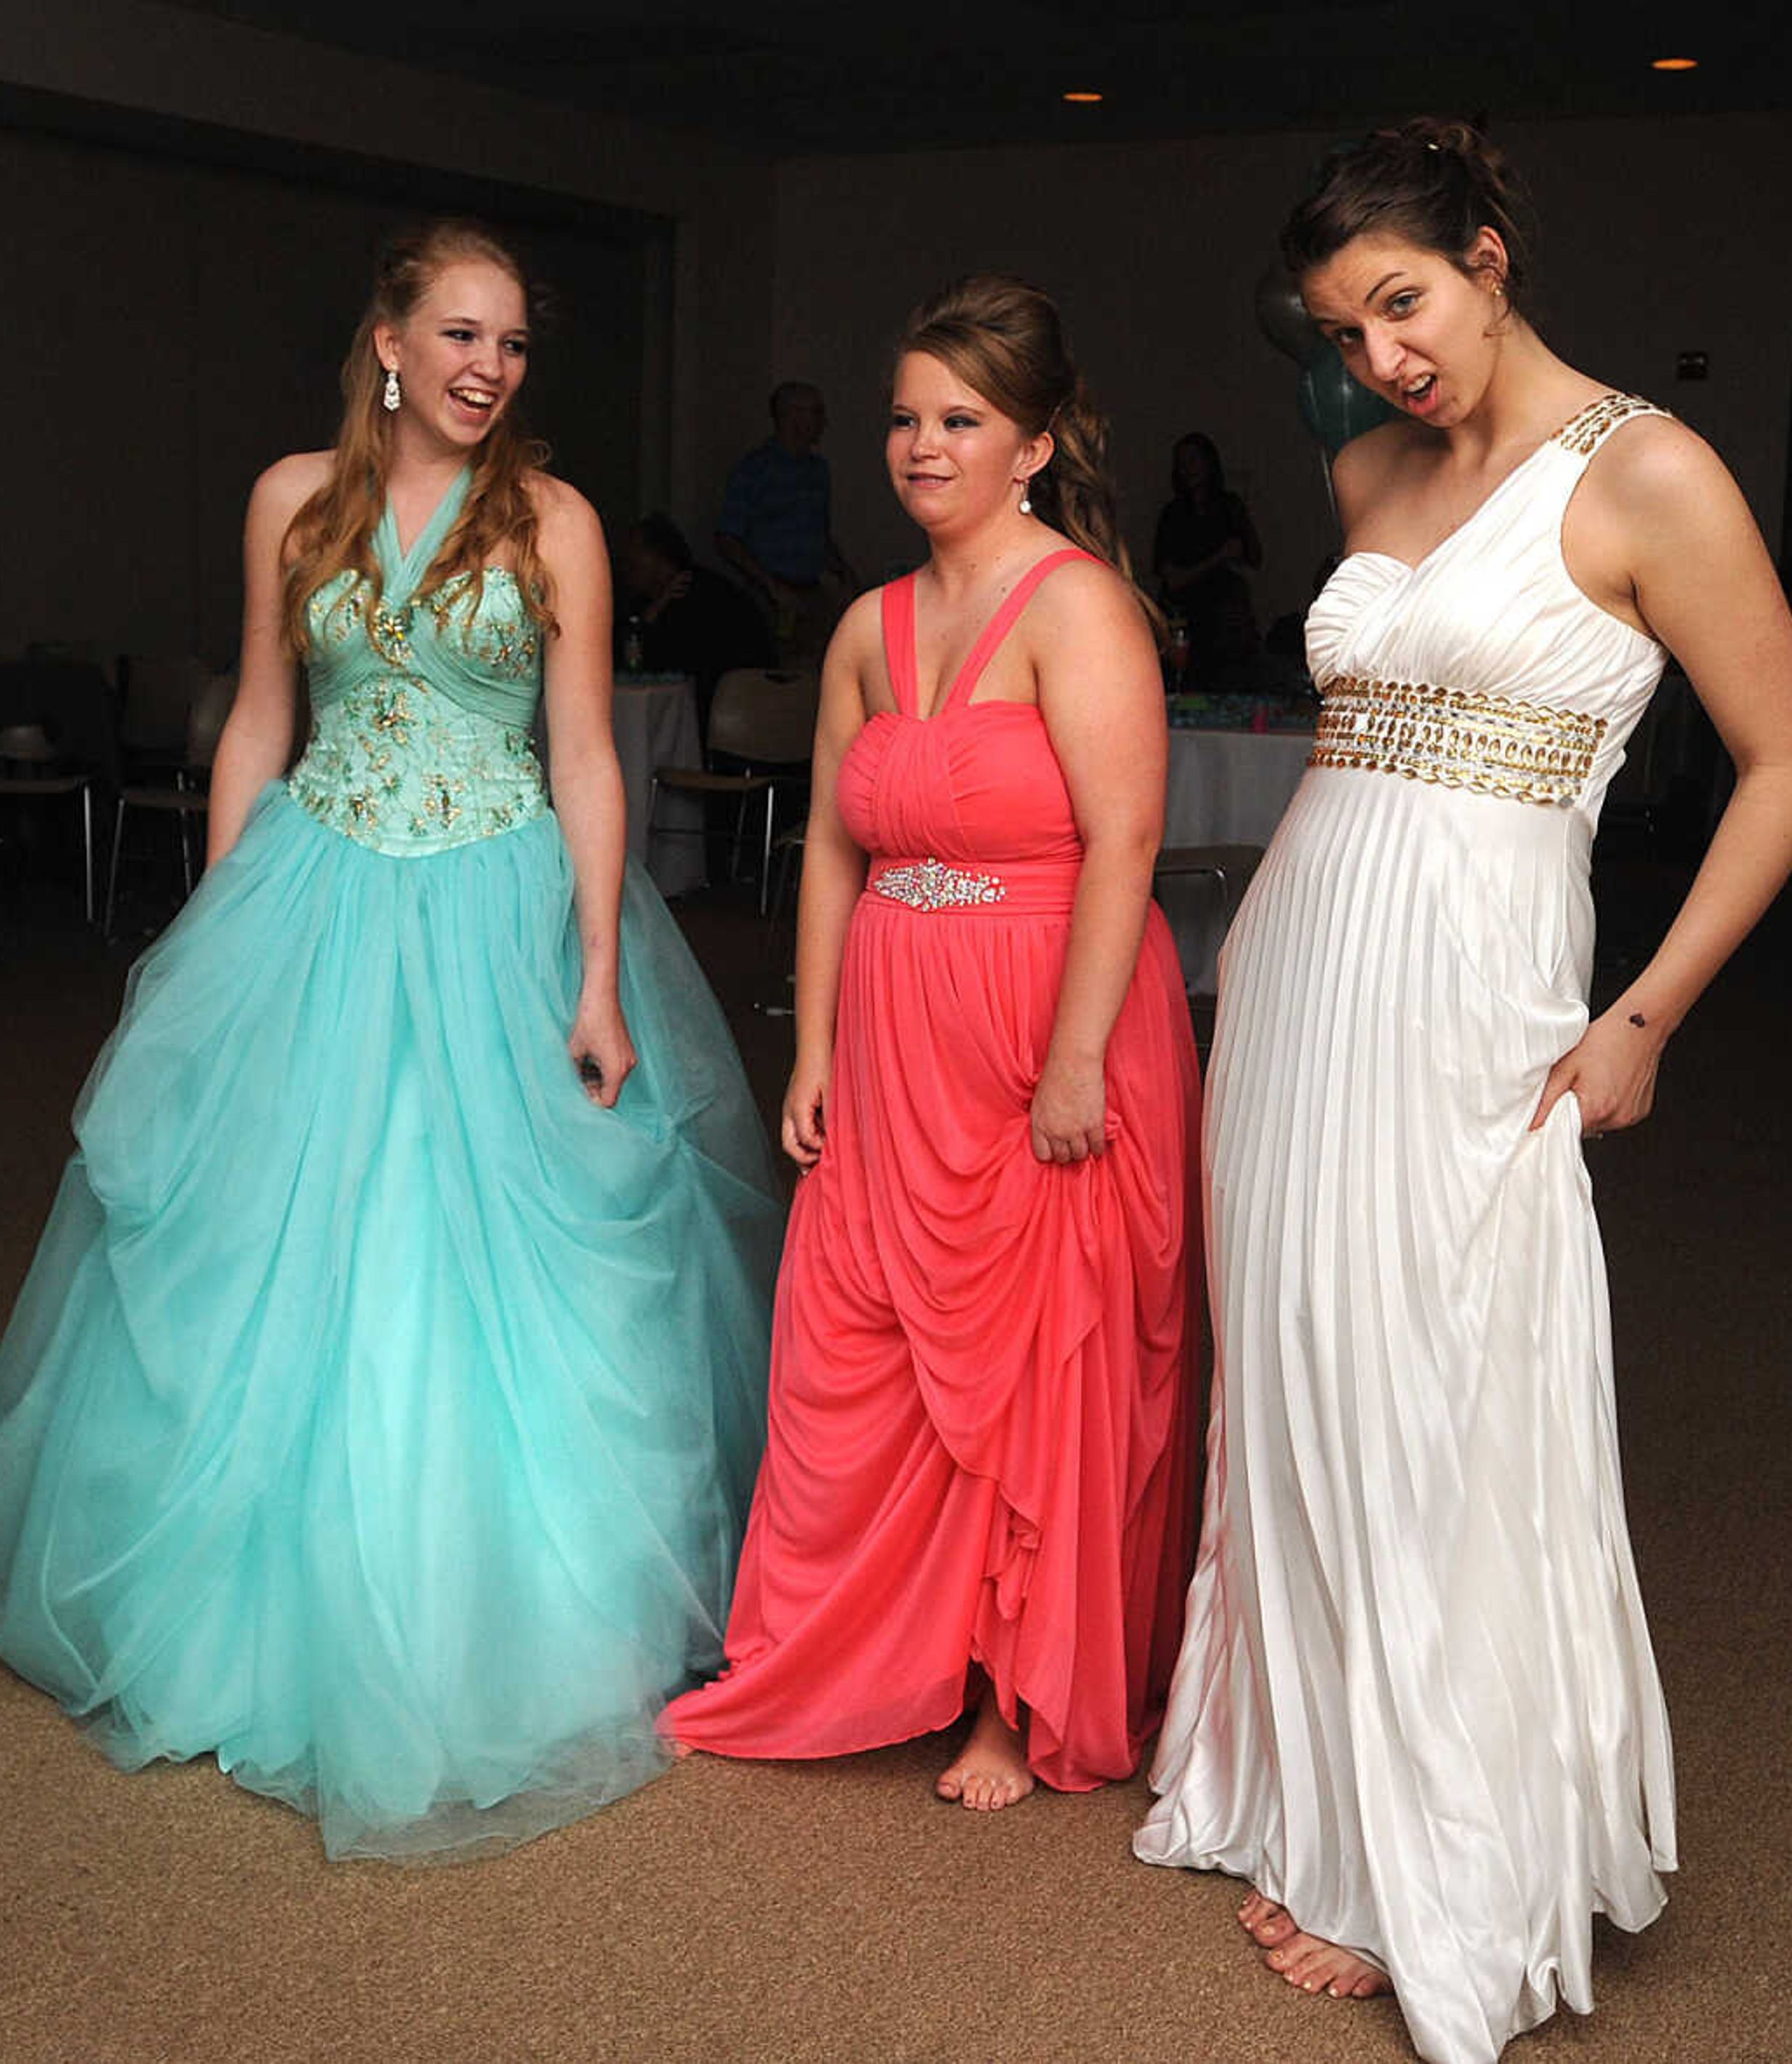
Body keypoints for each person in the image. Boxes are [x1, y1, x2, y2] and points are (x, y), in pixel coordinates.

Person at [0, 221, 784, 1861]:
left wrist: (594, 970)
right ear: (388, 341)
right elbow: (261, 725)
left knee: (475, 1246)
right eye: (459, 332)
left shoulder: (555, 520)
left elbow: (583, 758)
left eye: (511, 343)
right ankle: (231, 1606)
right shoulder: (293, 499)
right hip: (319, 888)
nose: (487, 367)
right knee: (279, 1242)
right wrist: (222, 936)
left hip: (498, 908)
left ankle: (483, 1626)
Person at [1134, 120, 1792, 2060]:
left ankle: (1431, 1850)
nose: (1385, 354)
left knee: (1446, 1391)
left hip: (1478, 994)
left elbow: (1790, 763)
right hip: (1296, 975)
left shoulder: (1650, 472)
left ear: (1493, 259)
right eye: (1350, 327)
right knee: (1299, 1366)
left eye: (1406, 300)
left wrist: (1649, 1015)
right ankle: (1305, 1793)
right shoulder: (1366, 465)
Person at [663, 276, 1202, 1812]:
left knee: (1035, 1355)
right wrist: (813, 1041)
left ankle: (1009, 1696)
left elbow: (1125, 836)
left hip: (1048, 1012)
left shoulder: (1081, 605)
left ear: (1031, 444)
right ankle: (843, 1648)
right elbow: (832, 851)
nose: (921, 444)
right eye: (905, 417)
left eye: (959, 419)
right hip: (897, 1019)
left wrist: (1084, 1050)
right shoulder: (864, 625)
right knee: (862, 1341)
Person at [715, 381, 860, 661]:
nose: (824, 422)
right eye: (816, 413)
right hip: (768, 598)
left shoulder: (818, 471)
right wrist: (771, 586)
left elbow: (817, 531)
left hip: (812, 593)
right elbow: (727, 538)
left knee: (817, 675)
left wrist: (843, 571)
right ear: (791, 416)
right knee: (774, 678)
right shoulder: (755, 470)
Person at [614, 513, 776, 737]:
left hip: (730, 723)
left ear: (658, 556)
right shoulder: (644, 603)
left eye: (632, 559)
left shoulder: (706, 599)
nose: (625, 565)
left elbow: (656, 665)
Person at [1151, 432, 1265, 694]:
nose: (1188, 469)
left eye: (1194, 460)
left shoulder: (1229, 506)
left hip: (1226, 623)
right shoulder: (1173, 515)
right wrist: (1218, 558)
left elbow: (1254, 558)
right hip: (1186, 620)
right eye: (1182, 463)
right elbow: (1173, 579)